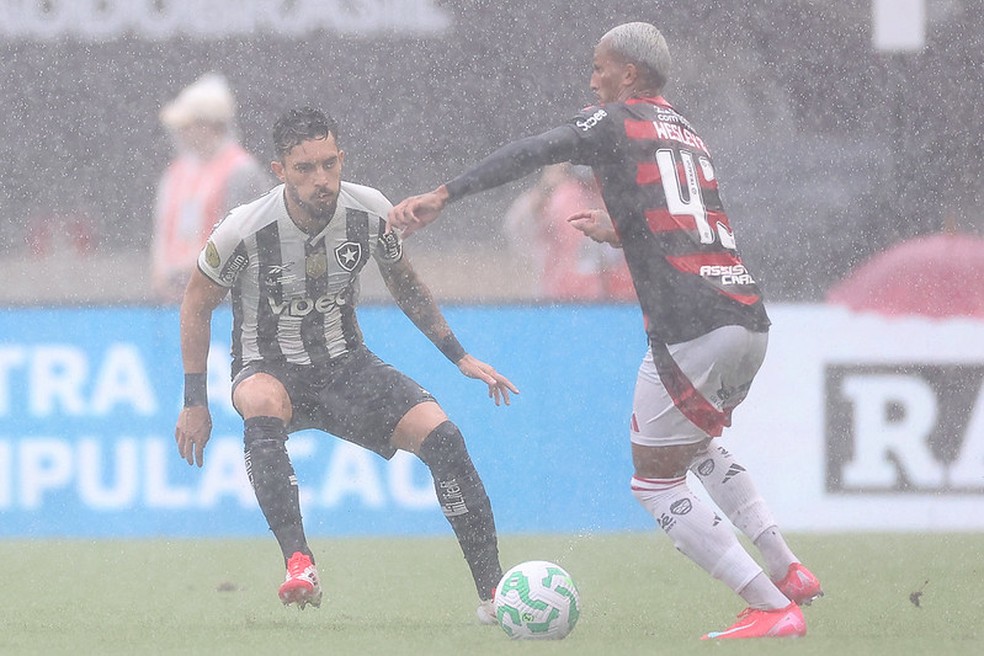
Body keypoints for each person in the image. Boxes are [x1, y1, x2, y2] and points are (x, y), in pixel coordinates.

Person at [389, 22, 822, 640]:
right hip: (747, 316)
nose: (592, 81)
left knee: (654, 479)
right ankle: (788, 567)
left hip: (691, 324)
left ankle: (771, 604)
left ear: (630, 75)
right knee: (691, 446)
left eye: (600, 69)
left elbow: (534, 149)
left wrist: (444, 193)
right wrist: (621, 230)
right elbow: (689, 224)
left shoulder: (617, 121)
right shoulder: (686, 132)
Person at [174, 107, 518, 622]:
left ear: (342, 159)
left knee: (443, 436)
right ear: (279, 171)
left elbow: (404, 282)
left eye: (329, 164)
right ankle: (299, 563)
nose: (321, 180)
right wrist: (194, 402)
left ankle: (493, 596)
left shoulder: (369, 211)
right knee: (263, 402)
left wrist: (459, 355)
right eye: (305, 168)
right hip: (268, 365)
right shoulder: (243, 231)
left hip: (346, 366)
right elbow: (196, 303)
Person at [151, 73, 271, 302]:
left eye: (187, 126)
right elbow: (161, 232)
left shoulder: (241, 171)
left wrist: (196, 273)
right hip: (175, 297)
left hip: (223, 299)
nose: (181, 134)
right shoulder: (176, 173)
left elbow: (241, 242)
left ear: (208, 126)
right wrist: (164, 276)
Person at [503, 163, 635, 301]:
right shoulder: (560, 196)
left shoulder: (626, 195)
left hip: (624, 306)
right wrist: (546, 187)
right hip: (561, 304)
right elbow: (519, 229)